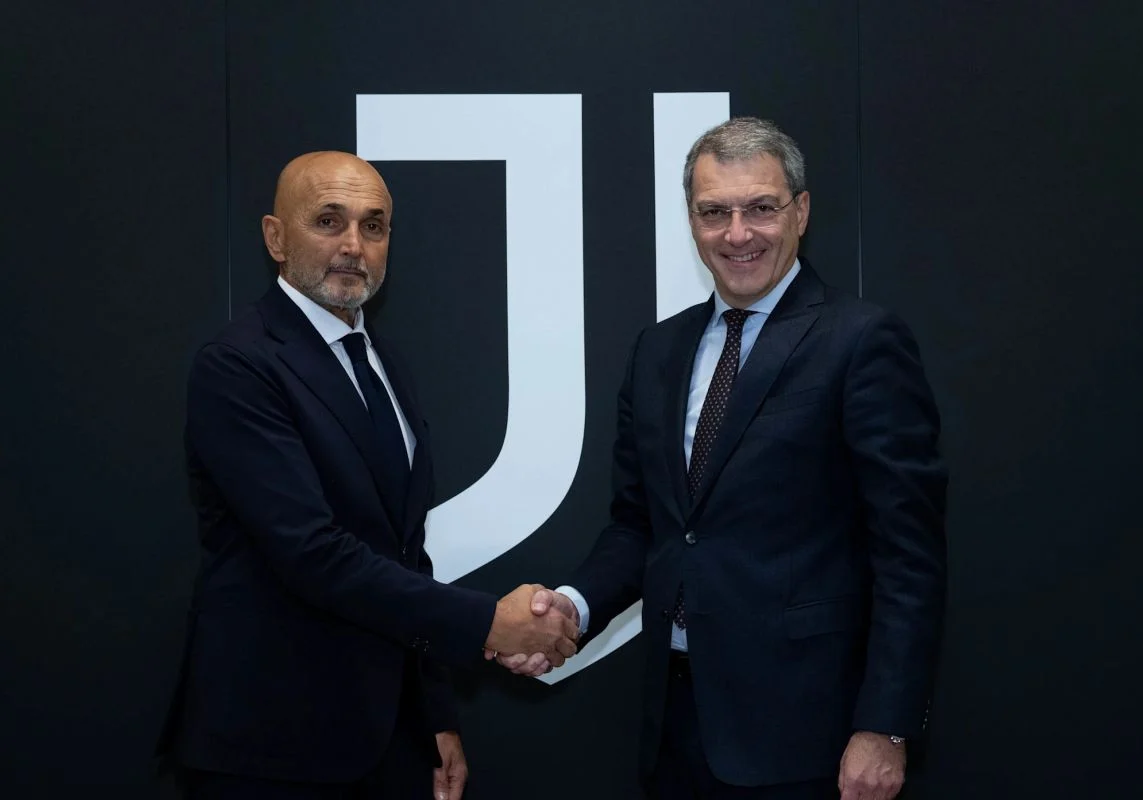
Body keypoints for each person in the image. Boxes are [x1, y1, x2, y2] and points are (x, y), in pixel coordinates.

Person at [495, 118, 948, 800]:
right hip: (675, 724)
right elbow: (642, 525)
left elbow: (909, 552)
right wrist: (573, 608)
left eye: (761, 208)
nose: (737, 234)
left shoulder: (861, 341)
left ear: (801, 211)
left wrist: (885, 725)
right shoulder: (658, 350)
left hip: (811, 734)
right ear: (692, 220)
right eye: (715, 213)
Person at [156, 151, 578, 800]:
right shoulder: (238, 366)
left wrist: (433, 712)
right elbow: (312, 553)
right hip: (272, 745)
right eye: (329, 221)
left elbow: (403, 552)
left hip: (387, 738)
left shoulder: (380, 360)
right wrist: (488, 623)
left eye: (373, 226)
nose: (354, 245)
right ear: (275, 237)